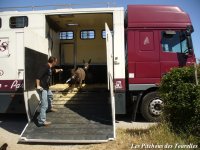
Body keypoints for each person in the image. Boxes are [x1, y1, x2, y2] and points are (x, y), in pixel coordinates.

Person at [36, 56, 63, 126]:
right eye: (56, 62)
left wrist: (59, 70)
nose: (56, 63)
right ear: (53, 62)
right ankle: (41, 121)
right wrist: (38, 86)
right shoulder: (45, 66)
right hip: (42, 88)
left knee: (50, 95)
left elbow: (54, 71)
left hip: (46, 87)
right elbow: (38, 77)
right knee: (44, 105)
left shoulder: (50, 68)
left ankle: (50, 108)